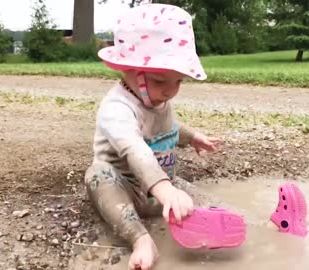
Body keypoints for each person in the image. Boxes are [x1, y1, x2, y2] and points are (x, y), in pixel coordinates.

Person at [85, 3, 221, 269]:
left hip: (159, 188)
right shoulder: (117, 108)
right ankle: (140, 239)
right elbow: (135, 148)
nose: (171, 91)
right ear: (129, 70)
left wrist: (192, 137)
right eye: (160, 81)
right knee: (97, 175)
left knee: (205, 203)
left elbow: (169, 127)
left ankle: (221, 221)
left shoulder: (158, 100)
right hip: (124, 187)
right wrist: (166, 190)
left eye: (179, 81)